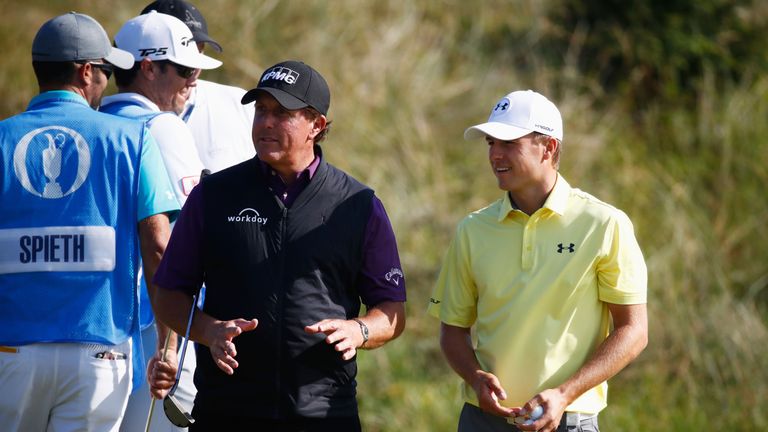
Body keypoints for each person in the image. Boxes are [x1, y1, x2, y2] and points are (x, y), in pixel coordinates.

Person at [150, 60, 407, 431]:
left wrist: (359, 331)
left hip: (323, 414)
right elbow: (169, 293)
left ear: (316, 126)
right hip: (226, 410)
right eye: (261, 111)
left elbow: (391, 309)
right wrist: (209, 332)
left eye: (282, 113)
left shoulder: (358, 204)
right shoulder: (214, 195)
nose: (266, 123)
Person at [428, 90, 648, 432]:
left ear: (549, 148)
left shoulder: (604, 223)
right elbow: (452, 330)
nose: (495, 154)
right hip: (483, 420)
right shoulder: (473, 229)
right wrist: (475, 378)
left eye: (508, 143)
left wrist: (564, 394)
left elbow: (634, 330)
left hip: (568, 419)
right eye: (490, 143)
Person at [0, 12, 180, 431]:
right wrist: (166, 346)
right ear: (85, 72)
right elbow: (158, 249)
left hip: (10, 354)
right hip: (100, 358)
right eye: (104, 71)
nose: (106, 81)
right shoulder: (132, 140)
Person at [98, 10, 221, 432]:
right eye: (185, 69)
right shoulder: (163, 127)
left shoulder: (96, 126)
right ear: (148, 68)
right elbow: (173, 248)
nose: (194, 80)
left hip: (99, 330)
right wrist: (170, 347)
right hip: (157, 334)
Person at [141, 0, 256, 173]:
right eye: (183, 55)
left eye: (199, 51)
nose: (194, 70)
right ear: (148, 66)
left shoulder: (241, 104)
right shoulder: (115, 120)